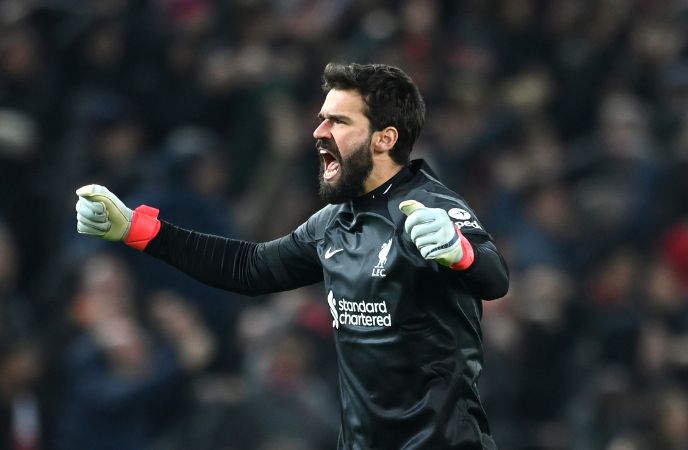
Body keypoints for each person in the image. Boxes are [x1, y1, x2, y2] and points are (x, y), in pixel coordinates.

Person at [74, 62, 510, 449]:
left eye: (338, 121)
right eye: (322, 120)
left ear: (384, 139)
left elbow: (494, 277)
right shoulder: (333, 223)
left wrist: (460, 251)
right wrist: (138, 230)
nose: (319, 132)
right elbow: (248, 267)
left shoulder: (430, 208)